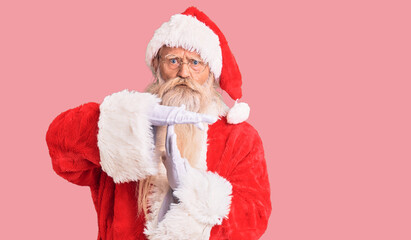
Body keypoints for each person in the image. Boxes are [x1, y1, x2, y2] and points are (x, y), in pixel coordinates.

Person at [46, 6, 271, 240]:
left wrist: (192, 189)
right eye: (173, 60)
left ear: (211, 73)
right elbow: (62, 152)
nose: (184, 72)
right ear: (157, 65)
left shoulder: (240, 138)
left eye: (196, 62)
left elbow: (254, 218)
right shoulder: (129, 119)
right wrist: (129, 125)